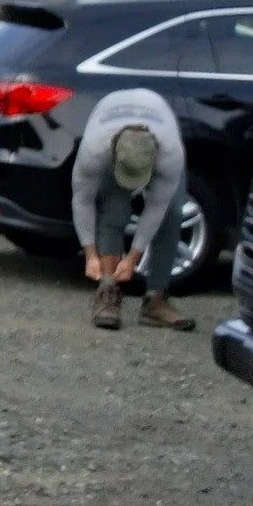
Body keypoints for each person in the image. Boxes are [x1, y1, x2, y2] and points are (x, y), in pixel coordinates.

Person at [71, 87, 195, 332]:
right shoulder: (95, 149)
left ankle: (155, 300)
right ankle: (107, 291)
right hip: (110, 121)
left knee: (171, 215)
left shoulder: (170, 154)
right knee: (113, 209)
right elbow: (82, 200)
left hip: (157, 116)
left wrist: (132, 259)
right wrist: (90, 254)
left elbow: (157, 207)